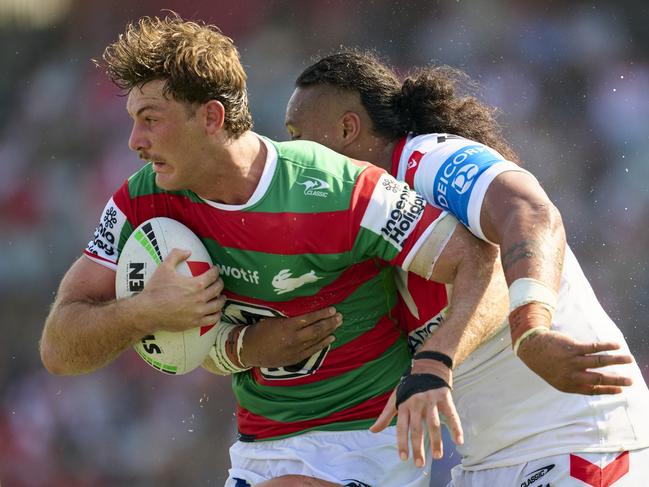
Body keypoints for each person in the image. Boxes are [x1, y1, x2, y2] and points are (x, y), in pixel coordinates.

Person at [39, 14, 514, 487]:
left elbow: (479, 262)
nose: (134, 142)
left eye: (150, 121)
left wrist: (436, 362)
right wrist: (145, 312)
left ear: (211, 117)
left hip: (366, 446)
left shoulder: (337, 187)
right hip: (257, 451)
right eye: (133, 122)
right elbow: (59, 347)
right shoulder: (144, 198)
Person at [279, 48, 649, 485]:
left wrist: (531, 329)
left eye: (296, 136)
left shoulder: (423, 160)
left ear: (347, 128)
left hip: (578, 441)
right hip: (483, 466)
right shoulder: (351, 229)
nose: (289, 156)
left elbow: (529, 210)